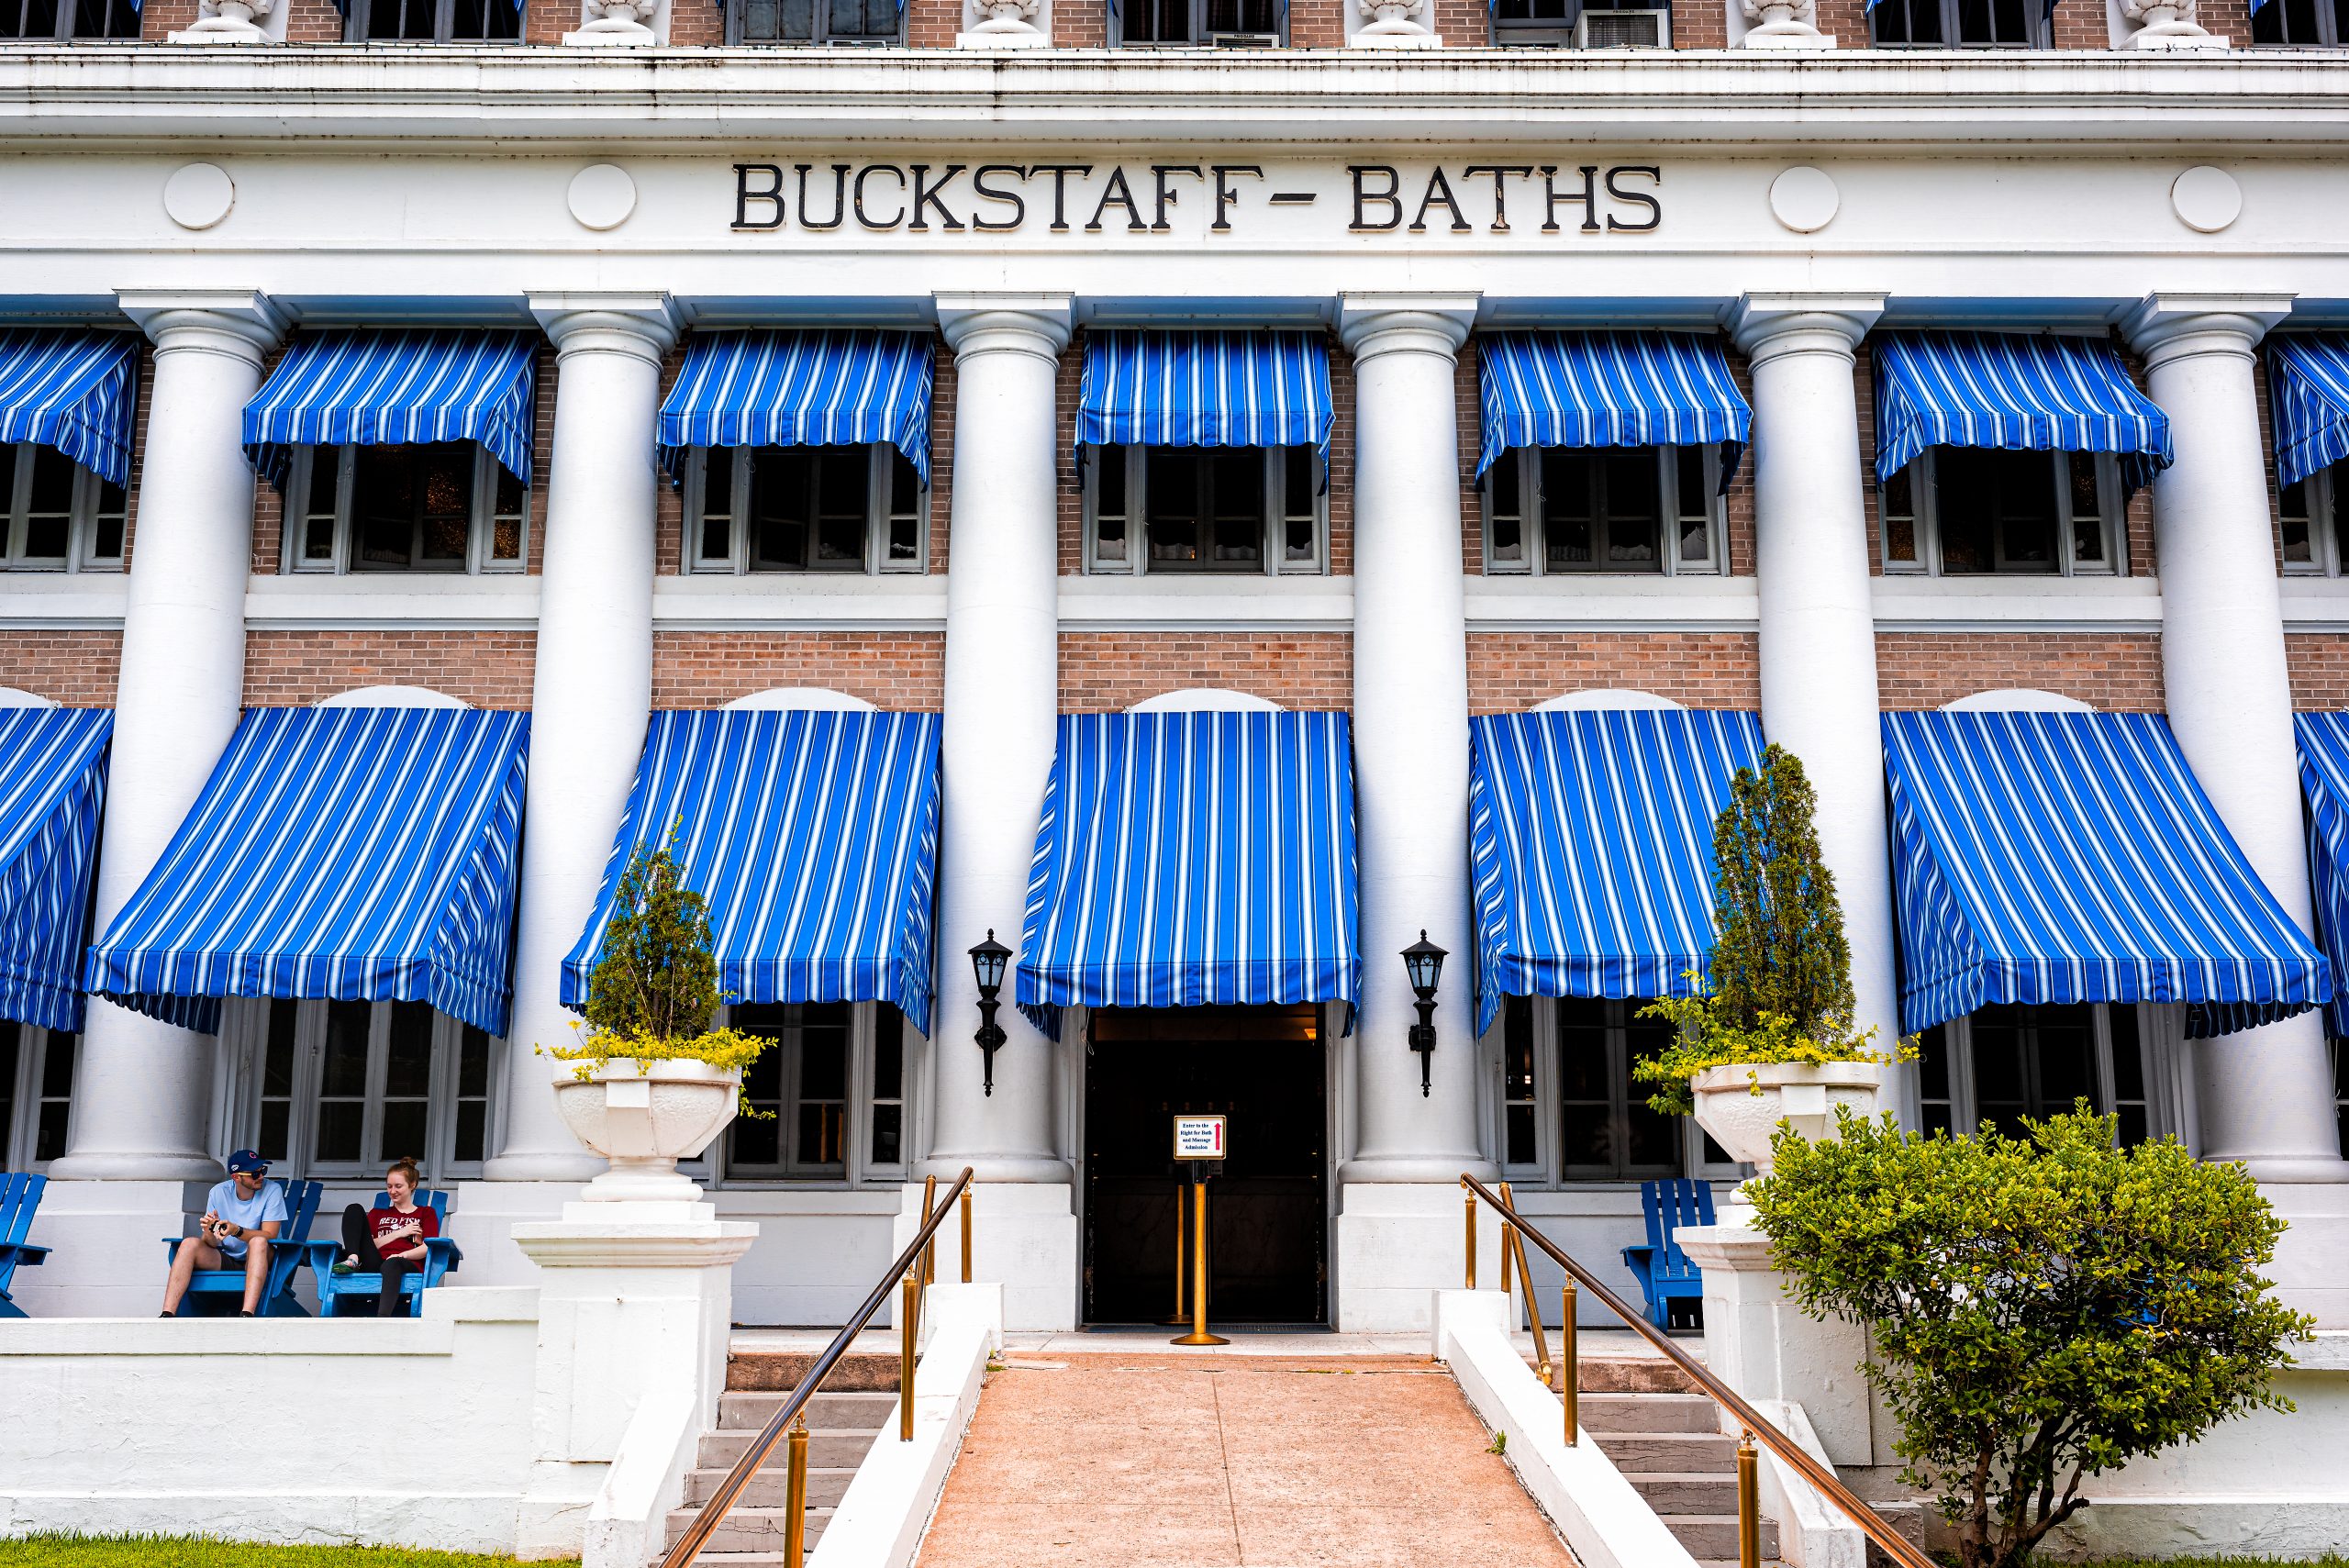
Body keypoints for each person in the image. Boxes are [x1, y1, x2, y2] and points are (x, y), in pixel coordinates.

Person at [161, 1150, 288, 1318]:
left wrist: (236, 1231)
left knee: (257, 1242)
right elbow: (211, 1243)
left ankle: (247, 1314)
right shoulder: (218, 1192)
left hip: (261, 1256)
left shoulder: (272, 1190)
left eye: (263, 1170)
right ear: (236, 1177)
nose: (261, 1176)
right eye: (255, 1173)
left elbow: (270, 1234)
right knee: (189, 1244)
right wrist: (209, 1232)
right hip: (227, 1257)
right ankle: (167, 1314)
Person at [335, 1157, 439, 1318]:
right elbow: (369, 1244)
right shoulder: (378, 1214)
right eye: (389, 1186)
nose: (392, 1191)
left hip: (405, 1263)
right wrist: (399, 1233)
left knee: (392, 1263)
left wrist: (401, 1255)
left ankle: (382, 1318)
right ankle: (353, 1258)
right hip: (375, 1261)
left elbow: (427, 1248)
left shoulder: (426, 1213)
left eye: (398, 1186)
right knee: (353, 1208)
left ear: (412, 1185)